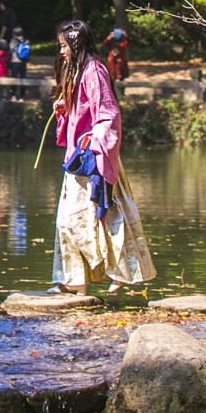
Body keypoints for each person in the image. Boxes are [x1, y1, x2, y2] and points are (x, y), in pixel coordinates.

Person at [50, 20, 155, 295]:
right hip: (79, 156)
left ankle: (118, 275)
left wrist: (98, 147)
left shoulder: (93, 70)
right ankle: (75, 281)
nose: (61, 51)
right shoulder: (77, 71)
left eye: (64, 45)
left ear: (75, 43)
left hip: (94, 155)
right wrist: (65, 107)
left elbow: (107, 113)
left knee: (106, 216)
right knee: (71, 219)